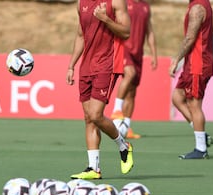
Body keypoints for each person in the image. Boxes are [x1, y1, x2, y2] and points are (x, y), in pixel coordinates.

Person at [66, 0, 134, 179]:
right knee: (89, 118)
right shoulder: (81, 3)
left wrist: (105, 19)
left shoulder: (116, 2)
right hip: (86, 67)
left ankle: (123, 145)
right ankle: (93, 168)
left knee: (96, 114)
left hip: (107, 64)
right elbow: (81, 35)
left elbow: (126, 32)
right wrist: (72, 65)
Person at [169, 0, 213, 159]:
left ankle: (201, 149)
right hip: (193, 63)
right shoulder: (203, 4)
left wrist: (176, 60)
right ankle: (203, 135)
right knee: (177, 97)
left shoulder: (197, 8)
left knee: (194, 105)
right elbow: (212, 34)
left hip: (197, 64)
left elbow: (190, 38)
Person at [110, 0, 158, 139]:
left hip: (138, 53)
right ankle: (116, 109)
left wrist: (154, 54)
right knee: (130, 74)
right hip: (123, 48)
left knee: (132, 93)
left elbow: (150, 32)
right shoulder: (123, 3)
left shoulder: (145, 6)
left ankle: (125, 127)